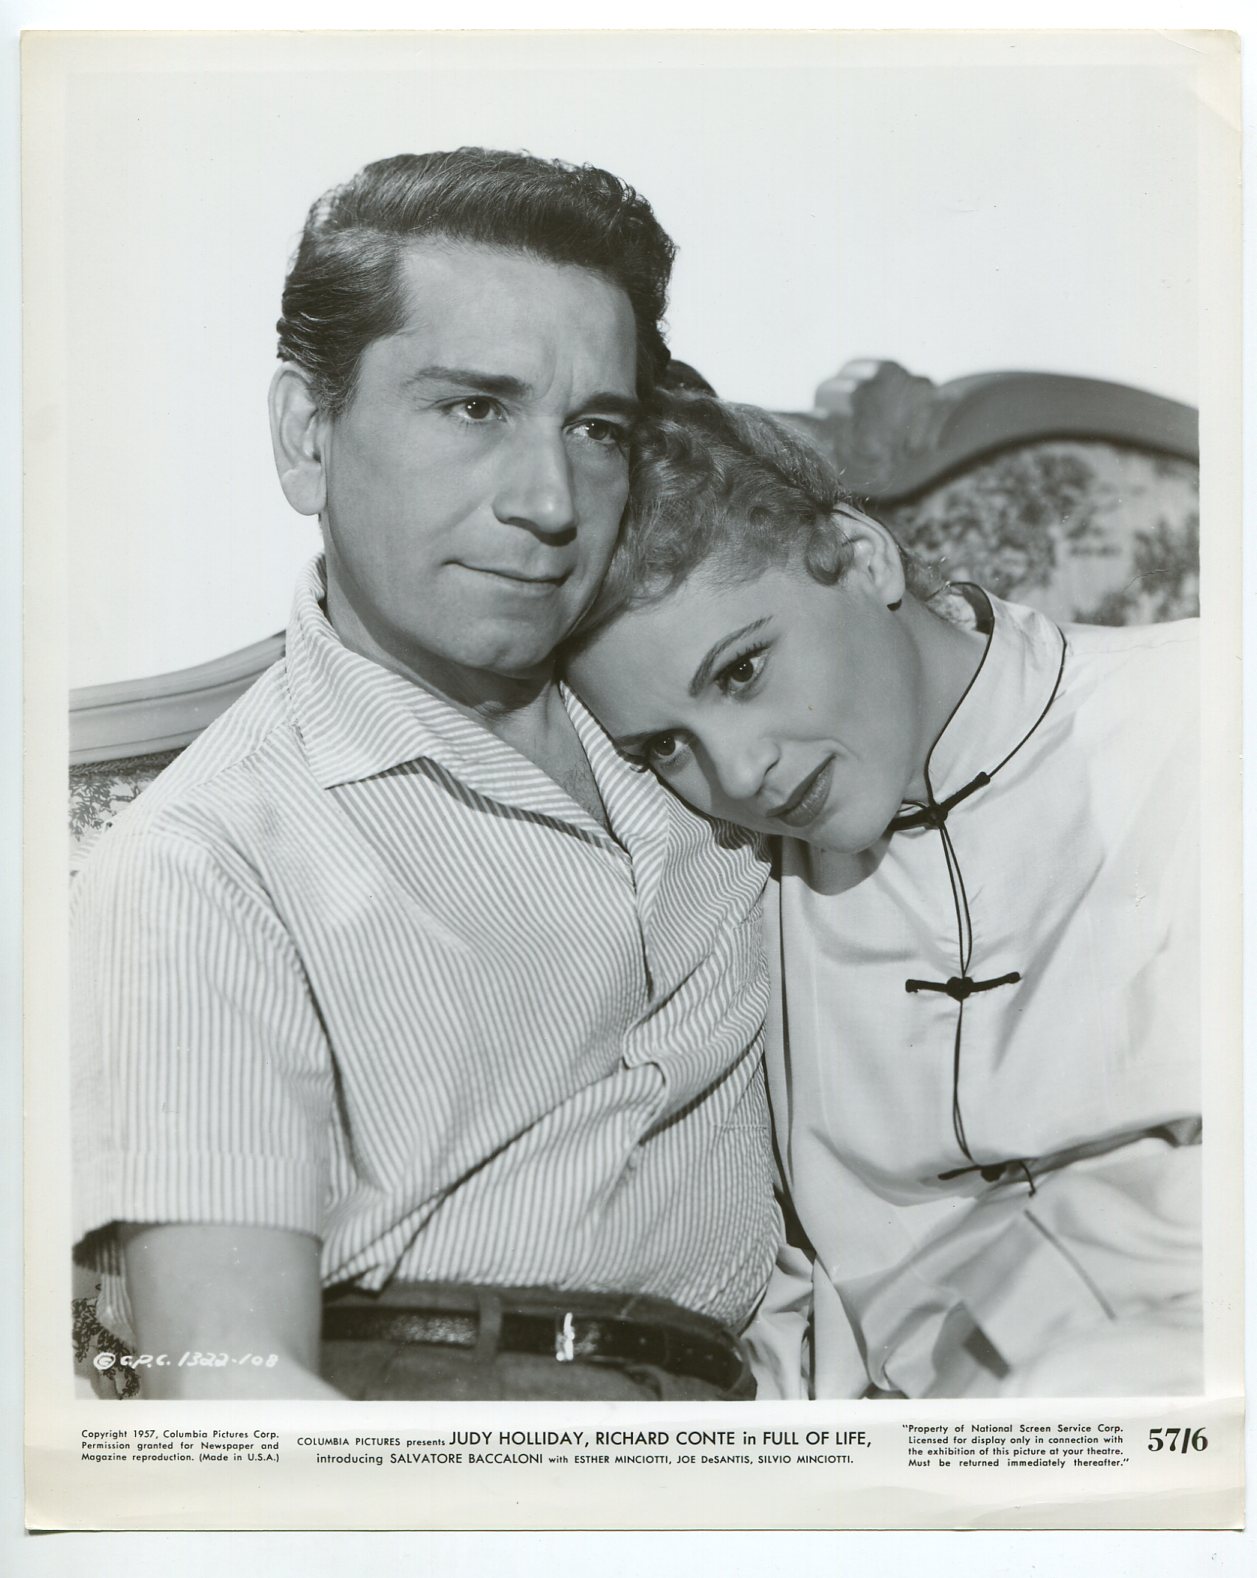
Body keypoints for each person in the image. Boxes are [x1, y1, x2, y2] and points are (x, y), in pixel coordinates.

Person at [71, 152, 781, 1401]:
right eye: (474, 409)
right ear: (307, 436)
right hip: (426, 1424)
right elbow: (233, 1398)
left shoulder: (727, 728)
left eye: (596, 430)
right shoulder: (207, 861)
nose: (551, 502)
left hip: (752, 1429)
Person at [563, 392, 1202, 1399]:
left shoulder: (1208, 710)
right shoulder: (735, 885)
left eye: (742, 671)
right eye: (667, 747)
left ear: (863, 559)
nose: (738, 772)